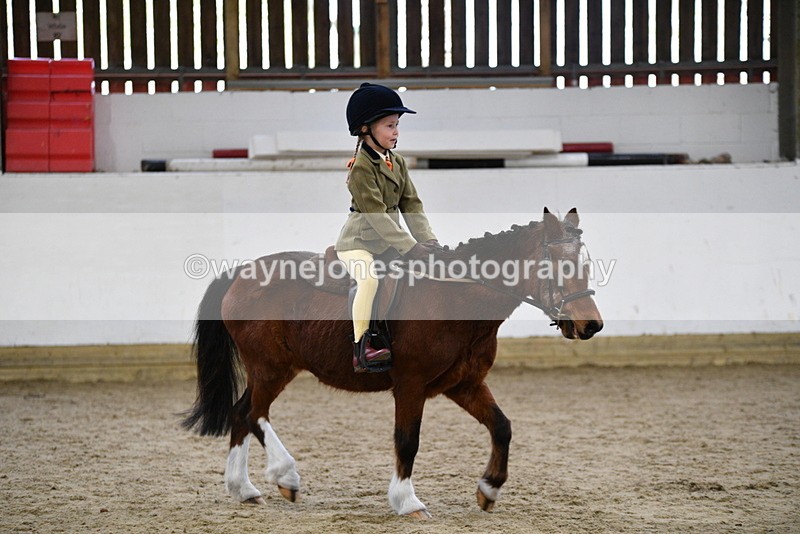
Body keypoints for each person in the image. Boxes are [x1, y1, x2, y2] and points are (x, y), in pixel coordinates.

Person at [335, 83, 439, 373]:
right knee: (368, 281)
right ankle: (362, 347)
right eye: (390, 125)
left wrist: (429, 241)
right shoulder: (361, 169)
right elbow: (377, 216)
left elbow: (412, 206)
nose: (396, 132)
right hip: (358, 244)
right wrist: (410, 247)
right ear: (366, 129)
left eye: (397, 125)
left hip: (389, 244)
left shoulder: (398, 162)